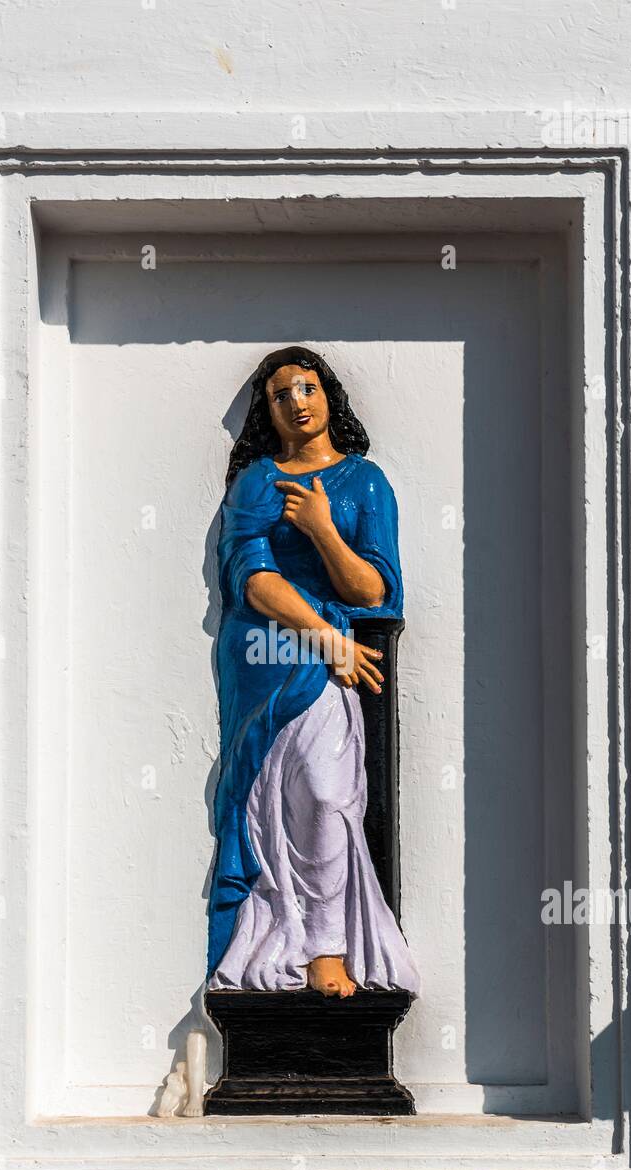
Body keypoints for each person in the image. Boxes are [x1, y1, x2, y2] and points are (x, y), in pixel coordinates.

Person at [207, 347, 420, 999]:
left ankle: (327, 946)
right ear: (265, 413)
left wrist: (324, 531)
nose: (296, 401)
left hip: (338, 659)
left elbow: (374, 592)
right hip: (269, 655)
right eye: (279, 394)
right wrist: (328, 641)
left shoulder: (365, 482)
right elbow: (252, 580)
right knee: (268, 804)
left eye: (306, 387)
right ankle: (289, 939)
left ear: (329, 396)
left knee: (327, 797)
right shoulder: (255, 484)